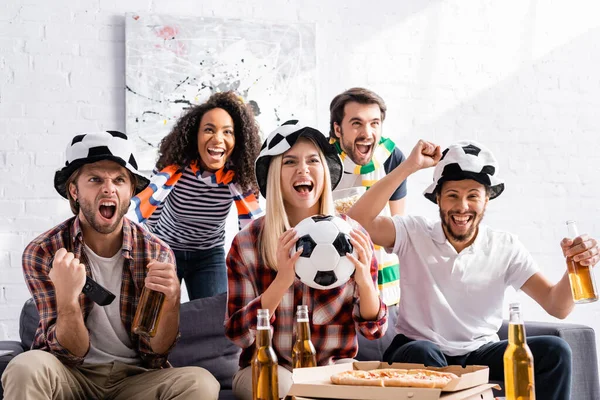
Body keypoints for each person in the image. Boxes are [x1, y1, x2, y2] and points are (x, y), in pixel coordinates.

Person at [347, 139, 600, 400]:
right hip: (416, 350)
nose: (462, 207)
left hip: (480, 352)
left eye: (473, 196)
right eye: (453, 195)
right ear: (438, 199)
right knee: (424, 353)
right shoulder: (413, 232)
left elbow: (557, 306)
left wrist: (575, 266)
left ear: (486, 201)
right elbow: (355, 221)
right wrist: (409, 167)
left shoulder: (505, 245)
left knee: (555, 351)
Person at [1, 131, 219, 399]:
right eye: (95, 179)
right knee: (24, 367)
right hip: (70, 375)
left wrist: (172, 302)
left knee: (202, 383)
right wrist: (68, 299)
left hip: (136, 378)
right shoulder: (43, 252)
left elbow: (156, 353)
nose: (108, 188)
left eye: (119, 180)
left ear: (131, 191)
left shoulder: (156, 253)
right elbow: (70, 352)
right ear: (74, 191)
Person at [224, 120, 388, 400]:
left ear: (324, 172)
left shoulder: (354, 235)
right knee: (285, 387)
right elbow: (240, 336)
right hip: (268, 369)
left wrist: (363, 281)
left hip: (333, 373)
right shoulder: (248, 242)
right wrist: (282, 281)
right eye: (290, 162)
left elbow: (374, 330)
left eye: (313, 160)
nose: (303, 169)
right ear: (275, 175)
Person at [128, 91, 263, 300]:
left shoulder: (238, 177)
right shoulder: (172, 170)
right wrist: (151, 256)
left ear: (238, 140)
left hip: (209, 254)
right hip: (166, 248)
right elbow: (150, 215)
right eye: (209, 129)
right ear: (196, 135)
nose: (218, 139)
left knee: (214, 320)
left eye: (228, 132)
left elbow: (254, 225)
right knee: (155, 314)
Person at [329, 87, 407, 306]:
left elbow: (397, 224)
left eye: (374, 123)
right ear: (337, 129)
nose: (367, 133)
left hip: (381, 273)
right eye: (356, 124)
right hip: (333, 269)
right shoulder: (320, 159)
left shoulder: (391, 157)